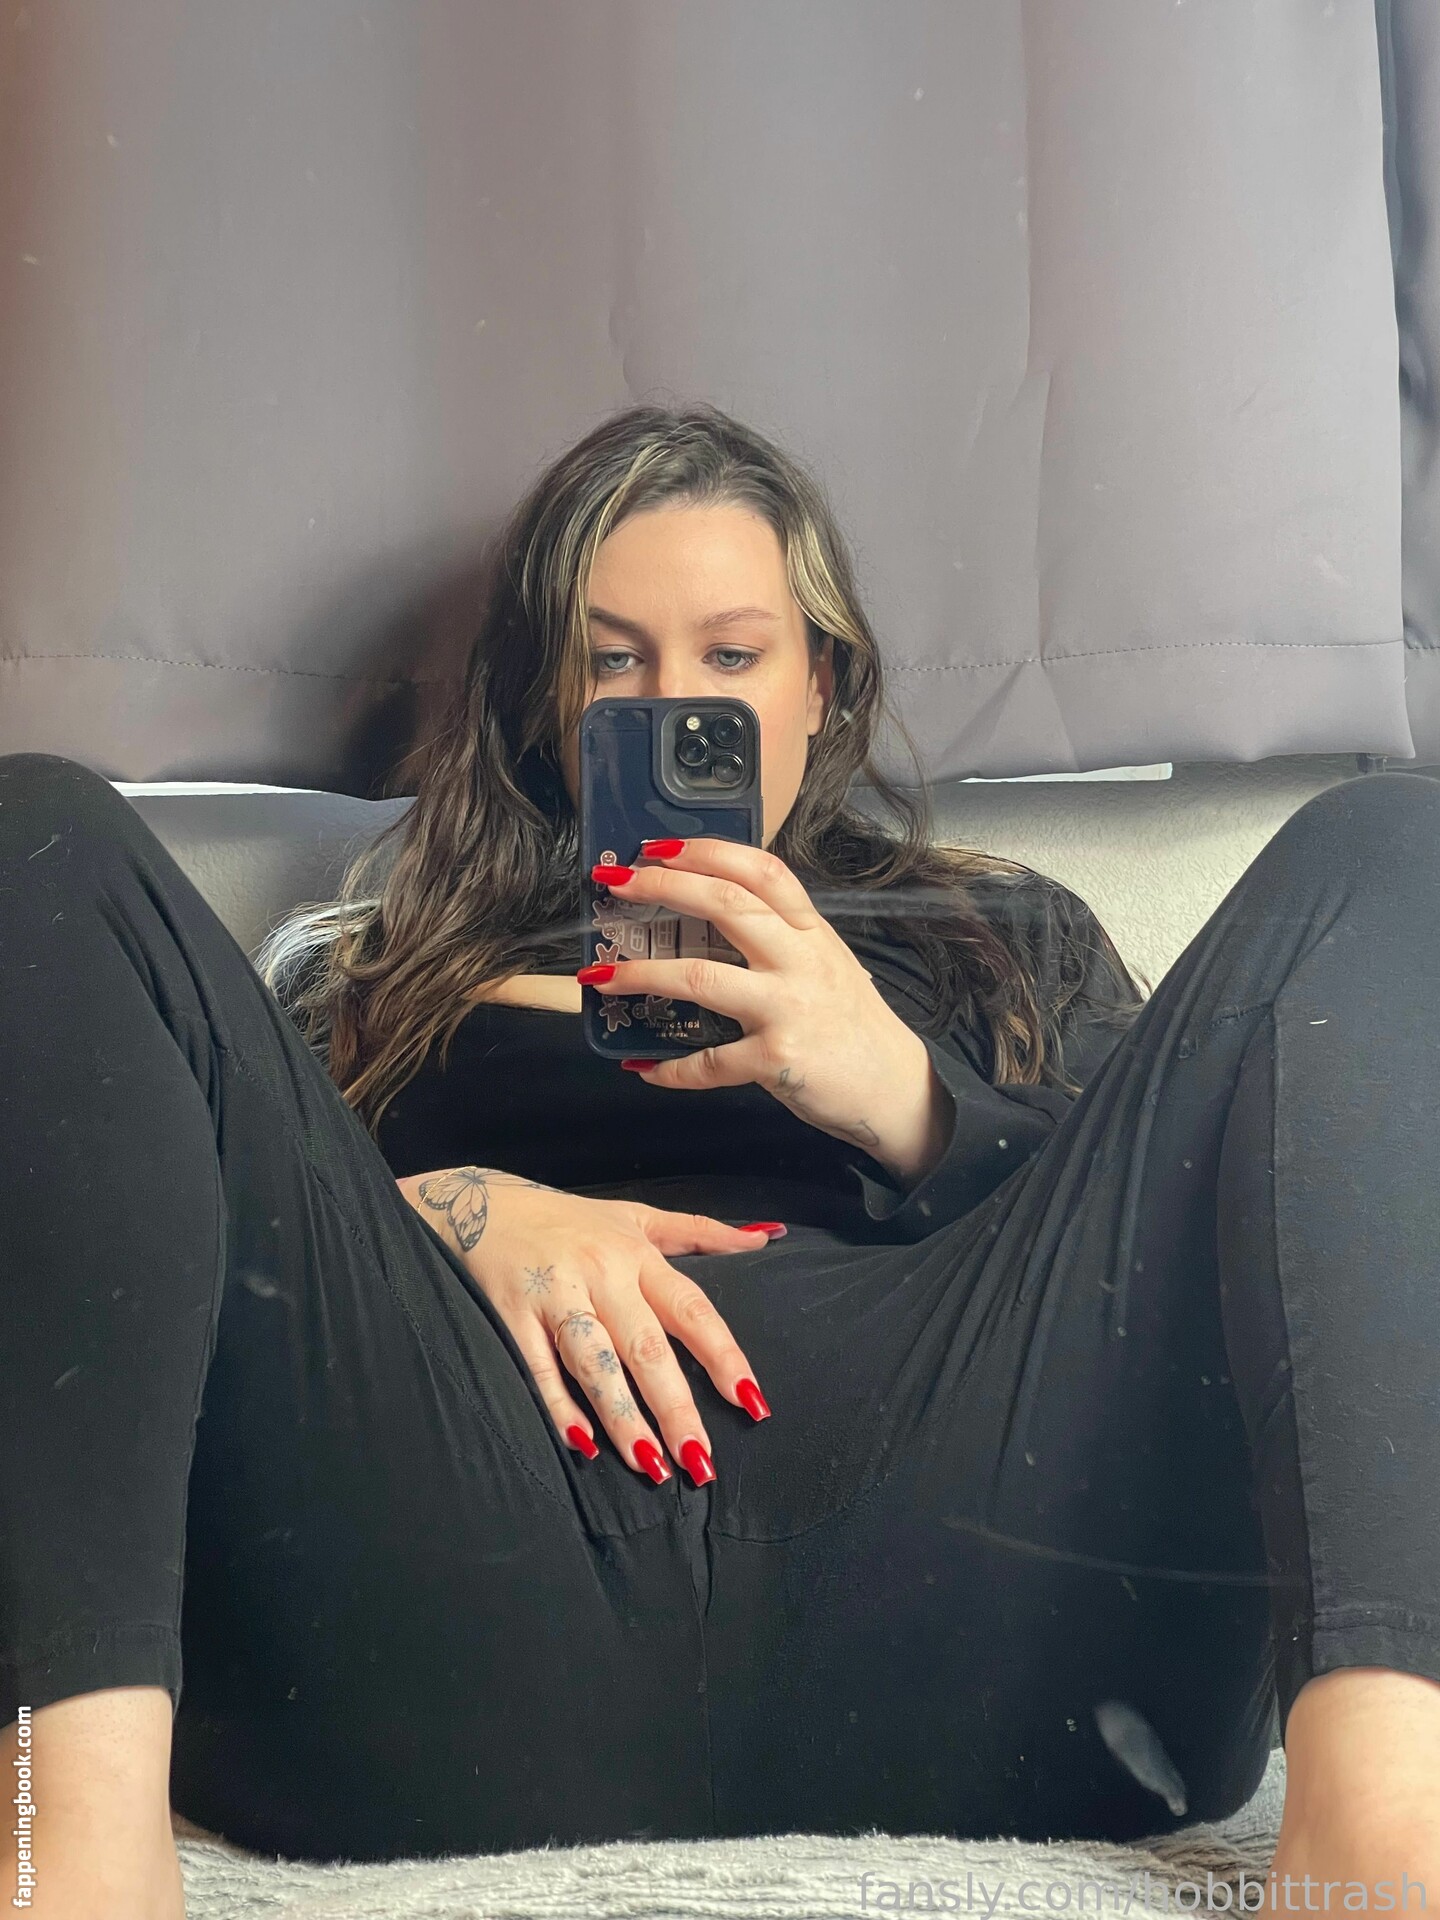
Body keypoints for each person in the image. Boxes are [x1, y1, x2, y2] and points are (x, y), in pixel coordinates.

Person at [2, 403, 1438, 1920]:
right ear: (551, 702)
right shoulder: (368, 972)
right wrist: (454, 1212)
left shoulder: (1005, 939)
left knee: (1383, 847)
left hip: (985, 1594)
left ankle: (1380, 1846)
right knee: (38, 834)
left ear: (824, 685)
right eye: (614, 663)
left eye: (733, 658)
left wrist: (907, 1097)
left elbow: (1201, 1257)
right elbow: (219, 1283)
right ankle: (67, 1855)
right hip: (464, 1591)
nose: (673, 707)